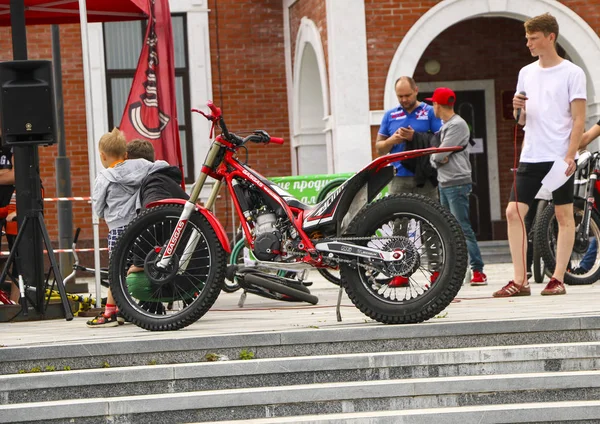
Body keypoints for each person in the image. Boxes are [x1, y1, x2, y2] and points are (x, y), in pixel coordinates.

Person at [494, 13, 586, 297]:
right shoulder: (526, 72)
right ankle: (520, 281)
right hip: (531, 154)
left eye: (533, 38)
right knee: (514, 212)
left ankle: (557, 278)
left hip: (560, 154)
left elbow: (579, 119)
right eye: (526, 38)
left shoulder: (573, 72)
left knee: (562, 214)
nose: (528, 44)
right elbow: (521, 120)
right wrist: (515, 108)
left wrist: (571, 155)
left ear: (550, 37)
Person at [87, 130, 169, 327]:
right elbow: (162, 165)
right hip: (139, 226)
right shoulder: (142, 167)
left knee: (117, 270)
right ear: (125, 154)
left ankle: (110, 312)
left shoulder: (104, 177)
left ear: (103, 156)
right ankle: (130, 308)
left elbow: (97, 207)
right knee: (138, 264)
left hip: (116, 228)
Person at [376, 76, 442, 287]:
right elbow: (379, 147)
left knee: (430, 225)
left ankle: (436, 272)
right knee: (399, 226)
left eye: (408, 95)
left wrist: (416, 136)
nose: (404, 100)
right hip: (399, 176)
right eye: (400, 96)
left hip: (425, 176)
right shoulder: (390, 115)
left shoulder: (429, 111)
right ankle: (400, 271)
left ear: (416, 90)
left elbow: (439, 139)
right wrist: (393, 140)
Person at [429, 87, 487, 286]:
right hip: (445, 181)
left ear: (438, 104)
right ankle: (455, 270)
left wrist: (437, 157)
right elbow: (438, 157)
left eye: (433, 104)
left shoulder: (457, 125)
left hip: (456, 182)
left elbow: (437, 155)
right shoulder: (446, 125)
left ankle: (478, 270)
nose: (432, 107)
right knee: (448, 228)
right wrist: (438, 157)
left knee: (462, 227)